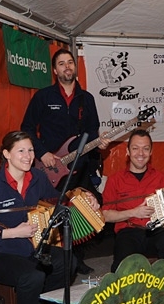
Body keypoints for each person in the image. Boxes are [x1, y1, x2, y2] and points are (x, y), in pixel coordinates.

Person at [0, 131, 100, 304]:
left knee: (67, 261)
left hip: (34, 246)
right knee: (33, 276)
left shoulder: (38, 178)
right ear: (6, 154)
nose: (28, 156)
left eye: (31, 150)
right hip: (3, 253)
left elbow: (57, 199)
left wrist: (84, 196)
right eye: (21, 150)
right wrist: (12, 233)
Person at [21, 48, 110, 274]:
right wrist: (42, 153)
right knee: (54, 211)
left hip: (80, 165)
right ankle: (53, 257)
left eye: (70, 62)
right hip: (50, 167)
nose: (67, 67)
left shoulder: (86, 99)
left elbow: (92, 130)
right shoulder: (43, 97)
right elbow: (27, 128)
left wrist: (98, 144)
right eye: (61, 63)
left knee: (81, 211)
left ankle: (77, 258)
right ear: (54, 70)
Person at [101, 129, 164, 276]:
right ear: (128, 151)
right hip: (128, 231)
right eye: (135, 148)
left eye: (145, 149)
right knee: (122, 264)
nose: (141, 153)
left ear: (151, 152)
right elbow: (105, 215)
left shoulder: (161, 178)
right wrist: (134, 212)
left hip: (155, 230)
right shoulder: (115, 180)